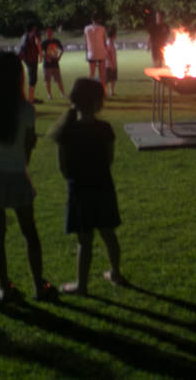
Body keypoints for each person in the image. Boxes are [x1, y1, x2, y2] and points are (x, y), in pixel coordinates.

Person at [0, 51, 57, 302]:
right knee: (29, 233)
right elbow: (29, 145)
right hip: (16, 174)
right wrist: (22, 166)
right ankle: (39, 286)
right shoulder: (26, 110)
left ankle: (4, 287)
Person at [49, 78, 125, 294]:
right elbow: (109, 159)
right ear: (98, 102)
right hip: (103, 186)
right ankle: (116, 273)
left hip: (79, 190)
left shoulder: (66, 130)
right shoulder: (105, 128)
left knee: (85, 239)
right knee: (108, 233)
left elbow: (62, 167)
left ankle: (81, 285)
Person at [18, 23, 43, 104]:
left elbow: (21, 49)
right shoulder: (34, 35)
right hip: (32, 59)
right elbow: (38, 43)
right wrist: (41, 55)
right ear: (33, 28)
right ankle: (30, 99)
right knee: (33, 79)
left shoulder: (24, 36)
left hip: (27, 59)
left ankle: (31, 98)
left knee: (32, 78)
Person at [41, 26, 65, 100]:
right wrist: (45, 57)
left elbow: (62, 49)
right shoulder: (44, 42)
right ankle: (49, 95)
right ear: (46, 33)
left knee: (59, 80)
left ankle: (63, 94)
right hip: (47, 64)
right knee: (48, 81)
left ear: (52, 33)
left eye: (50, 32)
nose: (49, 33)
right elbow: (40, 52)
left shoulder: (56, 41)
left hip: (55, 63)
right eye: (48, 32)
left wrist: (59, 57)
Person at [84, 14, 108, 88]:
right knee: (102, 74)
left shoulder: (87, 29)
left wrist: (86, 54)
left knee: (91, 73)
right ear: (99, 20)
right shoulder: (102, 28)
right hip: (101, 53)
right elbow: (104, 42)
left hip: (91, 54)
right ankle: (103, 91)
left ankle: (89, 90)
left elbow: (86, 42)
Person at [105, 25, 119, 97]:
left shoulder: (112, 43)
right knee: (107, 80)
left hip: (113, 63)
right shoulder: (108, 43)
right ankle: (105, 93)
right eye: (115, 34)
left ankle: (112, 92)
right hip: (109, 65)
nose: (116, 35)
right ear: (113, 35)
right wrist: (112, 64)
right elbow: (108, 55)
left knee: (113, 79)